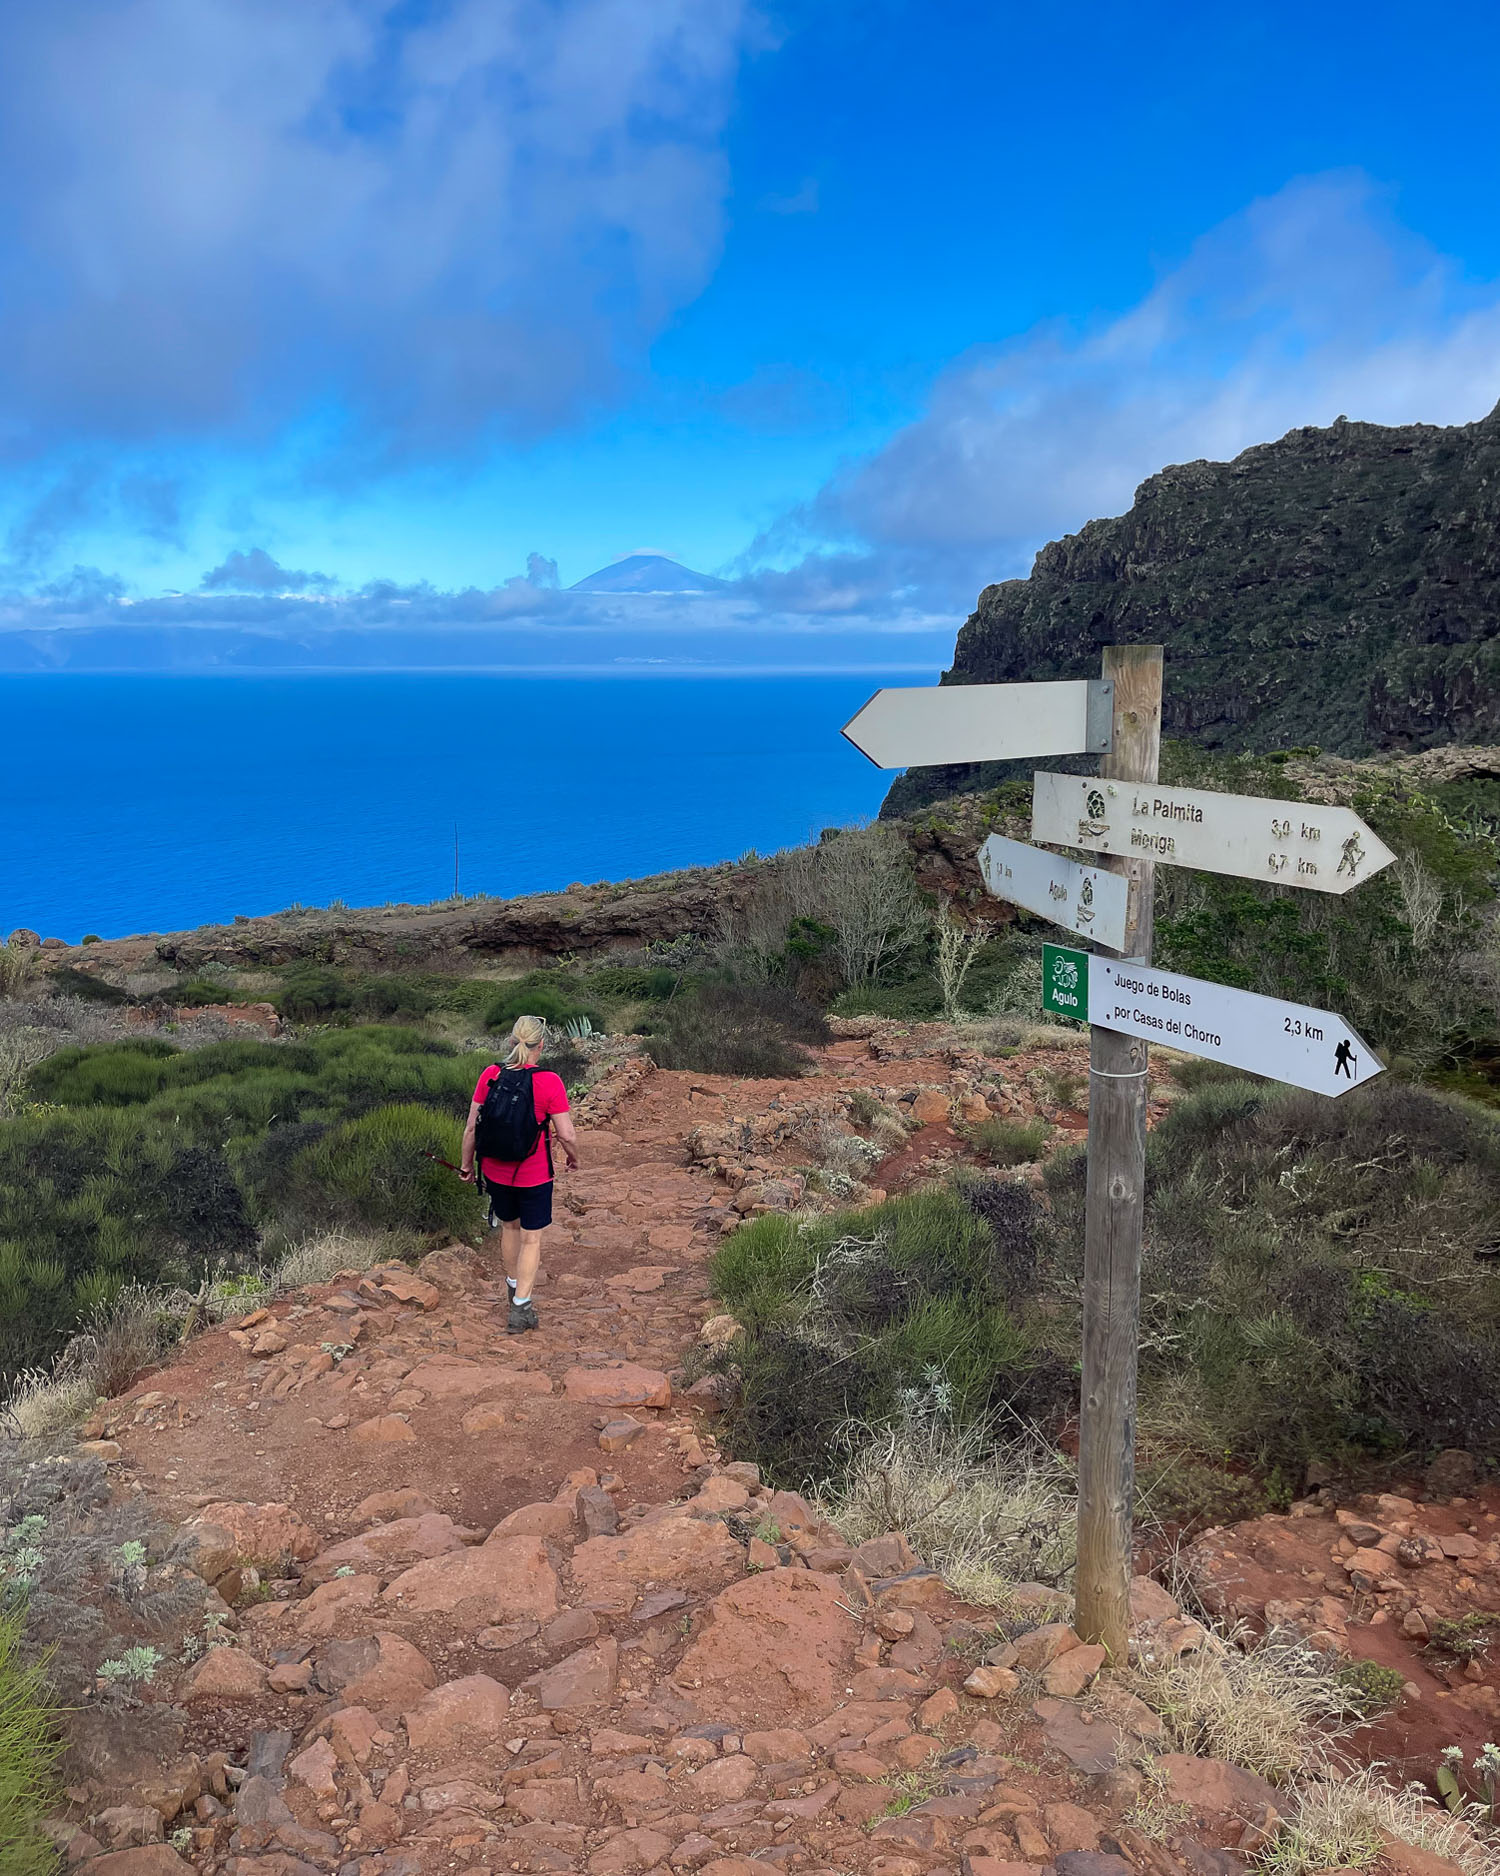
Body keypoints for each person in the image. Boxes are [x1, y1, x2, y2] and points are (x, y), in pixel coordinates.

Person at [460, 1014, 579, 1334]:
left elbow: (472, 1127)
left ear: (512, 1042)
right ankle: (520, 1308)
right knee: (531, 1238)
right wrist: (573, 1158)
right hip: (535, 1174)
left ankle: (514, 1288)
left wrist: (467, 1166)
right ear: (541, 1045)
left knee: (509, 1230)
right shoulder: (549, 1081)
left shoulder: (490, 1074)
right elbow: (566, 1133)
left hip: (496, 1172)